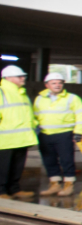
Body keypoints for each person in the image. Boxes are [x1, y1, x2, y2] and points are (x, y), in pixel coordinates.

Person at [34, 71, 82, 197]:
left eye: (60, 83)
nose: (57, 85)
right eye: (54, 83)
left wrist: (78, 132)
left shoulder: (72, 98)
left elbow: (81, 115)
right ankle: (54, 184)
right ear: (46, 85)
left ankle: (69, 185)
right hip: (45, 134)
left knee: (67, 160)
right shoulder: (40, 99)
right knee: (49, 160)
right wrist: (35, 130)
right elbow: (35, 116)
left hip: (64, 134)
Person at [0, 65, 37, 200]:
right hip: (5, 139)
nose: (23, 78)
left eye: (23, 76)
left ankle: (14, 189)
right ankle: (1, 191)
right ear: (8, 78)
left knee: (17, 167)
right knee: (3, 167)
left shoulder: (21, 93)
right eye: (19, 76)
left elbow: (28, 115)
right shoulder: (2, 92)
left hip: (21, 138)